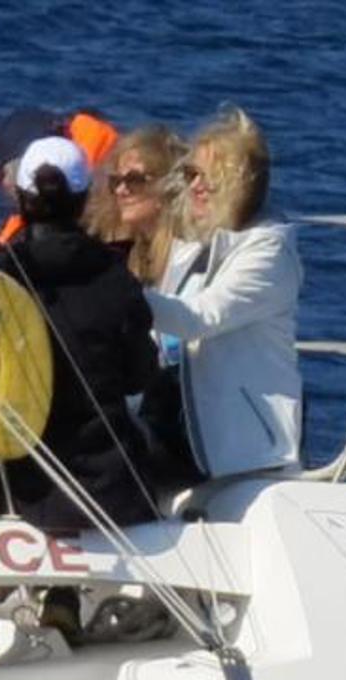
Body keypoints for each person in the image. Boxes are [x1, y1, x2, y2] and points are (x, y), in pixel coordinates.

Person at [0, 138, 159, 660]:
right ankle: (59, 595)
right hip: (104, 480)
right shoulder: (115, 277)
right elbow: (139, 376)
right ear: (85, 200)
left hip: (14, 477)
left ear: (21, 198)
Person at [144, 106, 302, 483]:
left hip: (241, 451)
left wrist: (123, 293)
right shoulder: (194, 245)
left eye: (210, 177)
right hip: (179, 423)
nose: (196, 186)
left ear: (241, 184)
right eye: (191, 174)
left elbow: (199, 318)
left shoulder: (269, 253)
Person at [0, 107, 120, 246]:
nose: (2, 184)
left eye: (0, 175)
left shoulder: (99, 218)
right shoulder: (100, 180)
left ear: (28, 165)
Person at [84, 126, 187, 285]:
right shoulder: (125, 252)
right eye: (116, 181)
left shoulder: (185, 257)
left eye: (134, 180)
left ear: (168, 186)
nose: (120, 190)